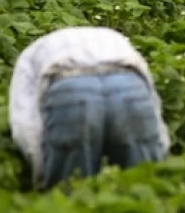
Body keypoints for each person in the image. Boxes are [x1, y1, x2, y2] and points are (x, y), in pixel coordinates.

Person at [9, 26, 170, 190]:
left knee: (71, 190)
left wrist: (43, 173)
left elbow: (25, 123)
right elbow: (152, 98)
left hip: (71, 87)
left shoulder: (30, 55)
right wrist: (159, 151)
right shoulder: (114, 37)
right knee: (142, 185)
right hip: (128, 83)